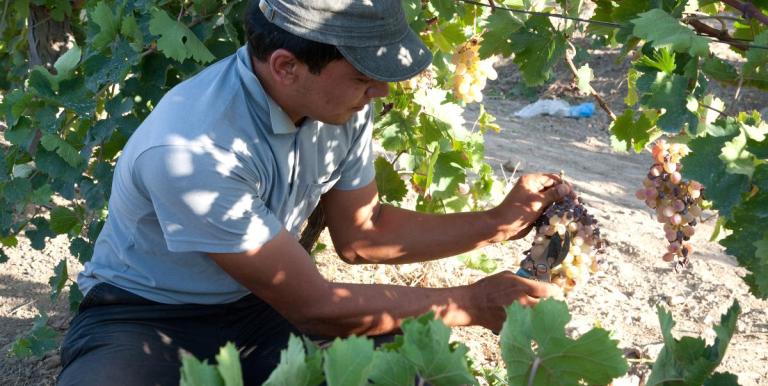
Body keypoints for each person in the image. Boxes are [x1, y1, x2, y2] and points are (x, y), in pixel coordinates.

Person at [57, 0, 570, 385]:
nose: (382, 91)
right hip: (144, 315)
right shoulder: (193, 150)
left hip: (258, 305)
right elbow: (316, 305)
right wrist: (474, 302)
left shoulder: (339, 106)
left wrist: (499, 222)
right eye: (366, 76)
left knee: (402, 361)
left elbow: (364, 234)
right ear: (286, 66)